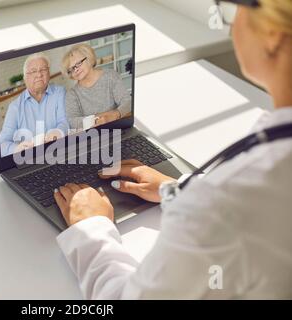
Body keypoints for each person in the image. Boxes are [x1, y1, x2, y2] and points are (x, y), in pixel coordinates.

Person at [53, 0, 292, 299]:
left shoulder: (227, 201)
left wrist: (91, 230)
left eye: (230, 7)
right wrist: (179, 189)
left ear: (271, 32)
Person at [0, 53, 69, 156]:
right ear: (25, 78)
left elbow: (64, 121)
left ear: (49, 73)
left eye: (43, 70)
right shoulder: (15, 107)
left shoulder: (59, 93)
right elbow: (2, 144)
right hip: (28, 159)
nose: (39, 74)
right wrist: (17, 149)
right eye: (33, 71)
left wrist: (58, 132)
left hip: (59, 153)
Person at [62, 43, 131, 130]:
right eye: (71, 69)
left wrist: (114, 115)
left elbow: (127, 102)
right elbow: (73, 122)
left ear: (89, 58)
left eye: (78, 64)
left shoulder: (110, 76)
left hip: (118, 128)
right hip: (92, 136)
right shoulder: (72, 94)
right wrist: (104, 118)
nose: (76, 70)